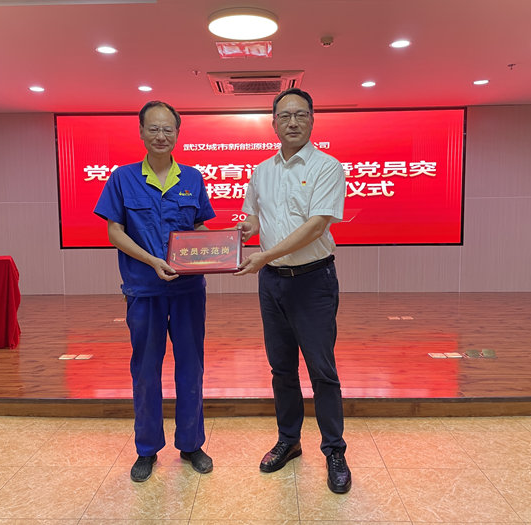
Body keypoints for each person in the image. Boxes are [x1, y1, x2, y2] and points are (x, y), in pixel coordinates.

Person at [235, 88, 351, 494]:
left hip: (313, 282)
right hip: (272, 284)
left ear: (312, 120)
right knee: (281, 369)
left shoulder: (327, 167)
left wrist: (265, 254)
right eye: (284, 116)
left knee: (322, 371)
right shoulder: (261, 171)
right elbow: (253, 217)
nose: (293, 122)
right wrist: (245, 229)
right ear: (273, 123)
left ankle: (334, 450)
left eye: (300, 115)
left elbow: (317, 226)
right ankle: (289, 440)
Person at [94, 100, 215, 482]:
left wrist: (225, 247)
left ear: (177, 134)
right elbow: (115, 232)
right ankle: (146, 449)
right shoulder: (122, 178)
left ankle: (191, 444)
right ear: (142, 132)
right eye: (154, 128)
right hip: (144, 289)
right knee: (146, 370)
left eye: (168, 129)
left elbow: (199, 229)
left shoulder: (192, 178)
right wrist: (151, 260)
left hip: (188, 290)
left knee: (191, 366)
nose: (161, 135)